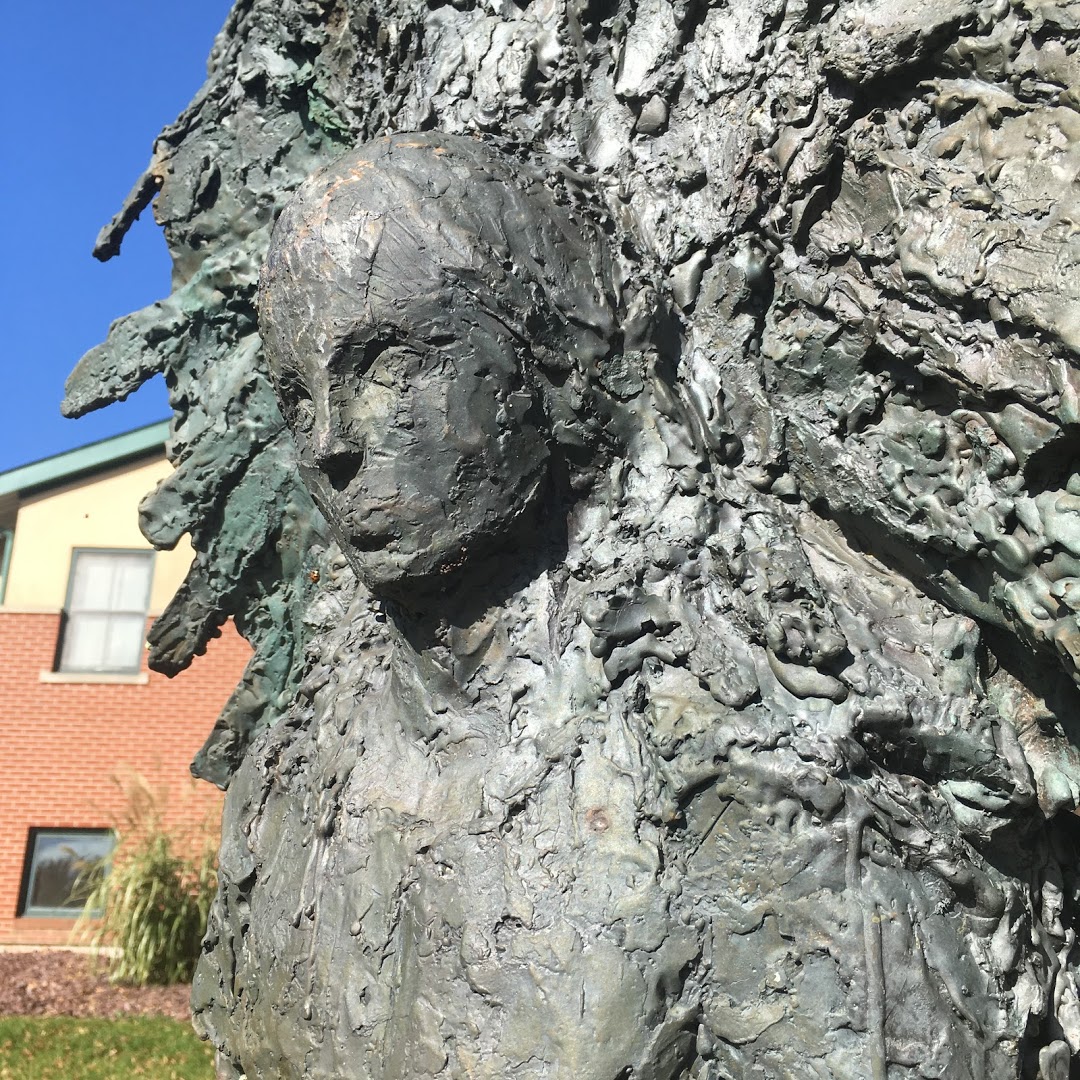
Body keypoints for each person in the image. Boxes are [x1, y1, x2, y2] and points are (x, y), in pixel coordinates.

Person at [194, 133, 1072, 1080]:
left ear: (542, 360)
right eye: (298, 395)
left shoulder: (728, 766)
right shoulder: (287, 780)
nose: (331, 443)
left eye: (392, 364)